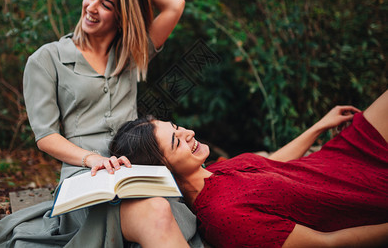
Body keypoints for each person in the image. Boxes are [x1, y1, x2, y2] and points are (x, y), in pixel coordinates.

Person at [0, 0, 203, 248]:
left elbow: (174, 5)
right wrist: (91, 158)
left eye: (106, 4)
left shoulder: (130, 53)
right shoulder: (47, 59)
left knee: (161, 209)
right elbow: (45, 136)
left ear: (122, 15)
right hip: (85, 177)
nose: (91, 7)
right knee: (155, 213)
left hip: (136, 171)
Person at [109, 90, 388, 248]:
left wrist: (318, 127)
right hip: (357, 193)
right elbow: (327, 243)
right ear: (161, 170)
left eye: (178, 128)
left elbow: (273, 163)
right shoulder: (226, 218)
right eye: (176, 141)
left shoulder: (215, 171)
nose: (190, 133)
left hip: (341, 158)